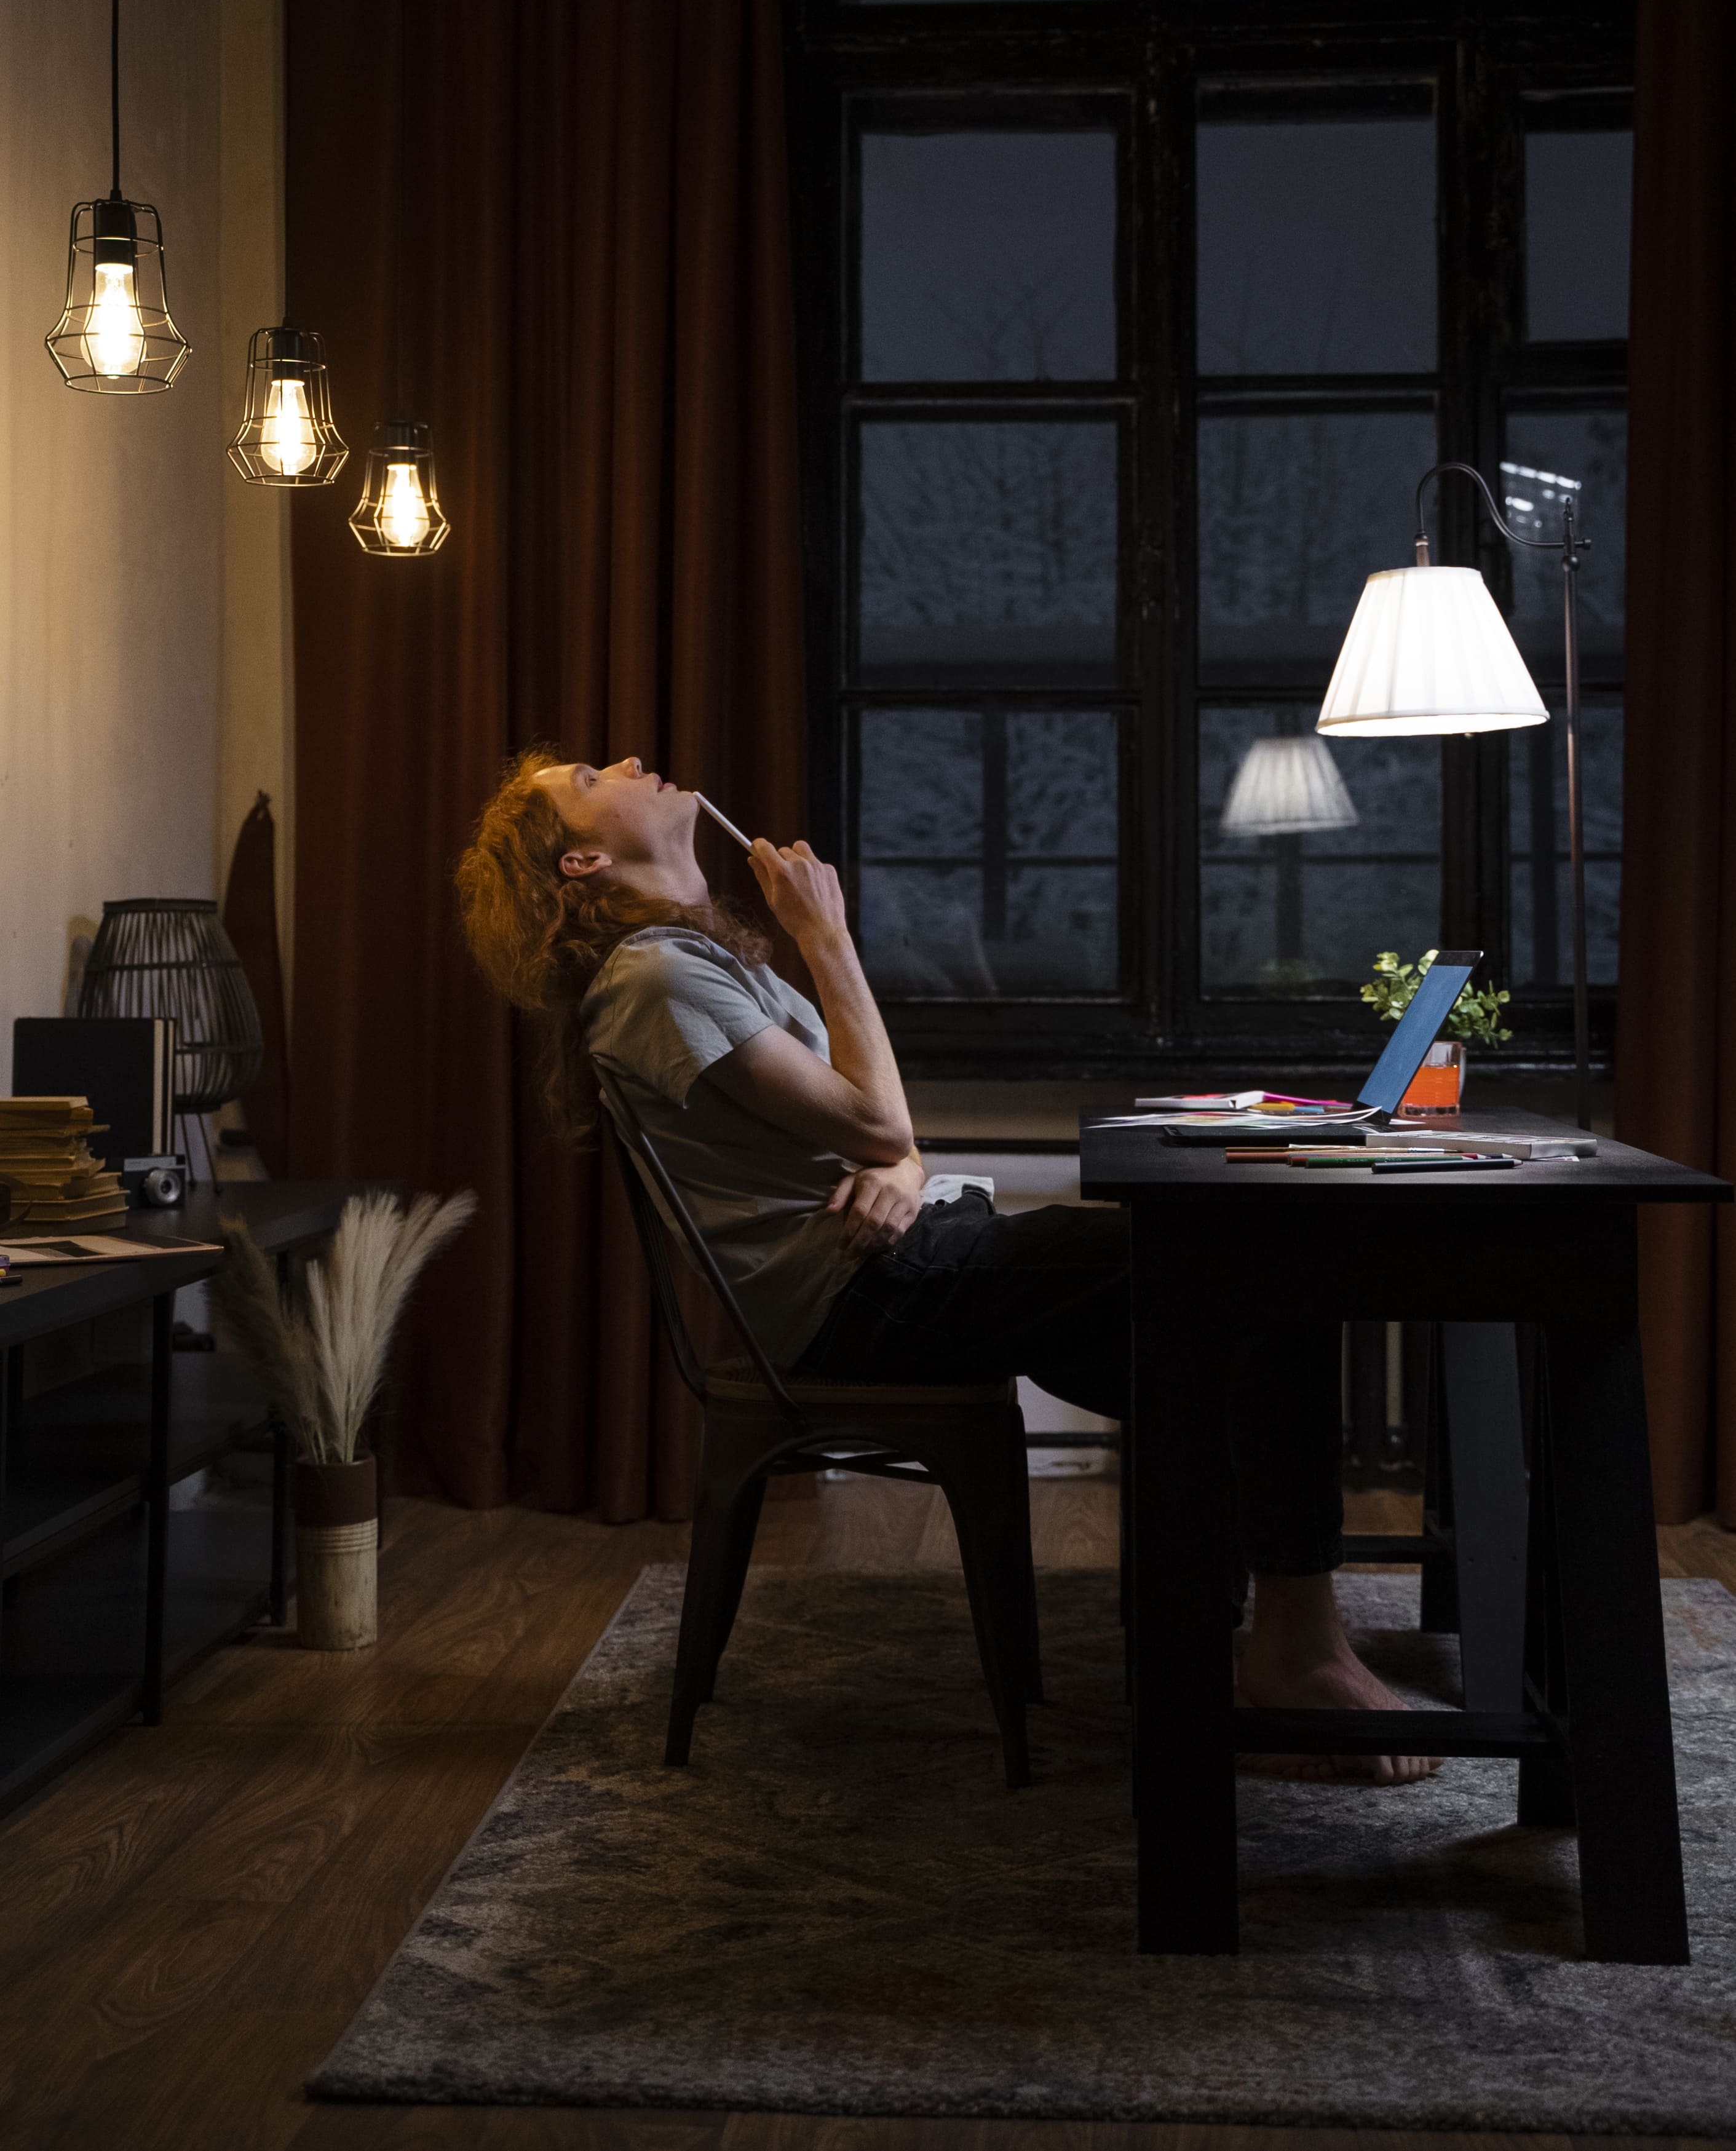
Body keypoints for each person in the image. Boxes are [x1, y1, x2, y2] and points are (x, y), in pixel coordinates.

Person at [456, 749, 1437, 1785]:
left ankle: (1212, 1650)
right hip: (864, 1296)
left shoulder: (693, 959)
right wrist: (825, 936)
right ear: (582, 858)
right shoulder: (655, 979)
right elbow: (878, 1117)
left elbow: (884, 1137)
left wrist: (905, 1163)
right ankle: (1295, 1653)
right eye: (590, 775)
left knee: (1216, 1312)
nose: (630, 761)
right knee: (1248, 1278)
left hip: (903, 1259)